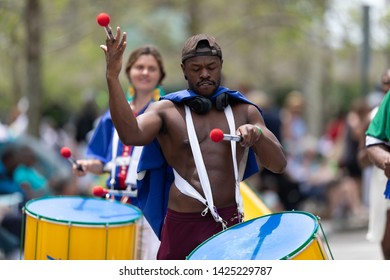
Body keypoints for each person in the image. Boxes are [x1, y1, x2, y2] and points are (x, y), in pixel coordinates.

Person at [100, 28, 287, 260]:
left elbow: (278, 164)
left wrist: (257, 134)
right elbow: (130, 134)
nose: (205, 74)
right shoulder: (166, 110)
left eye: (211, 67)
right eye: (196, 69)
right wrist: (112, 76)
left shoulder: (244, 110)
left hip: (229, 221)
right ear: (184, 71)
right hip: (183, 222)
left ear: (221, 65)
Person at [73, 45, 166, 260]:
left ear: (160, 75)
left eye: (151, 68)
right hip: (114, 204)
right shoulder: (111, 115)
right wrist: (87, 166)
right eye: (139, 67)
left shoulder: (166, 112)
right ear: (129, 71)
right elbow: (102, 161)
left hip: (150, 207)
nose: (145, 72)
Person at [364, 69, 390, 259]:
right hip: (382, 180)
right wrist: (384, 160)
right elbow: (371, 143)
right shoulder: (376, 112)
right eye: (386, 82)